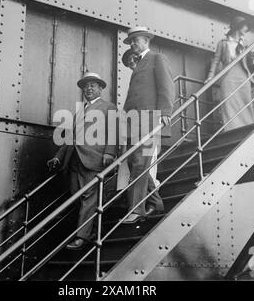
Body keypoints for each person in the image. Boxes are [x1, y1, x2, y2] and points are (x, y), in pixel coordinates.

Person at [47, 72, 118, 250]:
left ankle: (82, 237)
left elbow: (114, 131)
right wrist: (57, 156)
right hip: (74, 161)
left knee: (88, 198)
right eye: (85, 86)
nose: (88, 89)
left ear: (101, 88)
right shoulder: (79, 112)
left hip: (93, 159)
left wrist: (110, 152)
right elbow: (70, 138)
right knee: (76, 197)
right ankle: (91, 231)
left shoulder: (109, 107)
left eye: (92, 85)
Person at [121, 26, 175, 224]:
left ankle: (137, 210)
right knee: (133, 161)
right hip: (134, 122)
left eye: (135, 40)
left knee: (140, 162)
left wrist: (165, 113)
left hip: (149, 119)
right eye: (131, 41)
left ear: (146, 40)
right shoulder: (139, 63)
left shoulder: (156, 58)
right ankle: (156, 202)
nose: (133, 44)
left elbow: (167, 86)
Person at [206, 16, 254, 131]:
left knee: (245, 102)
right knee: (229, 103)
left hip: (243, 77)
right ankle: (231, 129)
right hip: (228, 77)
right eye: (245, 26)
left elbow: (249, 63)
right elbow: (216, 60)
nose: (247, 29)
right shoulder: (223, 43)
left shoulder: (245, 43)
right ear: (238, 27)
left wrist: (252, 56)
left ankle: (247, 127)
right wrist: (210, 76)